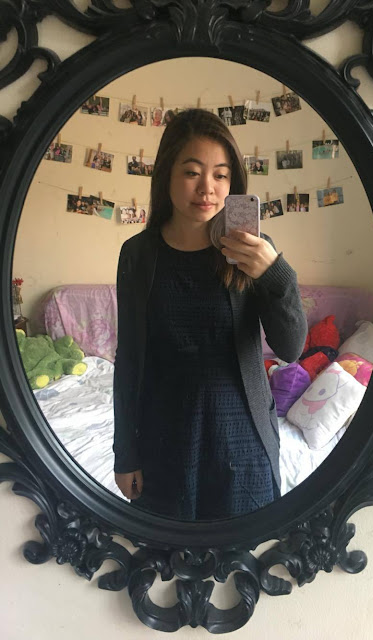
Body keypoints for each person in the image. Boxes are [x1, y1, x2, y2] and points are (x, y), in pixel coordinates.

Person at [113, 109, 307, 520]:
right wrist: (125, 452)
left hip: (244, 446)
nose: (208, 188)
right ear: (166, 174)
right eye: (192, 172)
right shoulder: (138, 255)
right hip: (163, 445)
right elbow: (128, 359)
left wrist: (276, 274)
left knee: (240, 555)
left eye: (221, 175)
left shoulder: (251, 249)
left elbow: (290, 349)